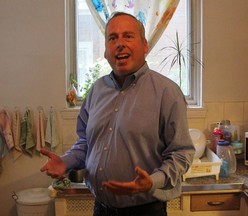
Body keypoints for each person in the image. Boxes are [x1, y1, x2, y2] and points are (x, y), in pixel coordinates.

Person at [40, 11, 195, 216]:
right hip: (101, 209)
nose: (119, 43)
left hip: (145, 211)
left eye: (128, 36)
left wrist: (152, 181)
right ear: (106, 50)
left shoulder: (167, 92)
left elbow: (181, 153)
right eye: (113, 38)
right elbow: (86, 142)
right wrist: (66, 161)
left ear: (145, 46)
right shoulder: (96, 90)